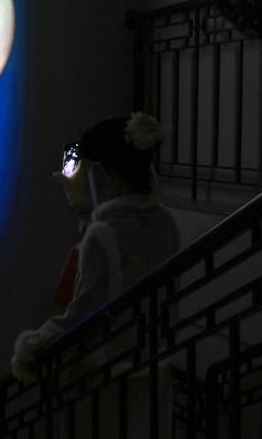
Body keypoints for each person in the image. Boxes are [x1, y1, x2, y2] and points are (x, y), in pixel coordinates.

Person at [10, 112, 181, 432]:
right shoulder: (166, 222)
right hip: (155, 371)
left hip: (110, 381)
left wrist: (30, 348)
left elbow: (81, 316)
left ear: (106, 176)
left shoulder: (104, 234)